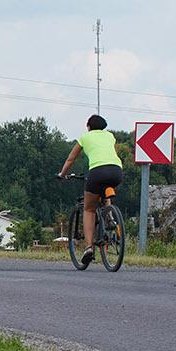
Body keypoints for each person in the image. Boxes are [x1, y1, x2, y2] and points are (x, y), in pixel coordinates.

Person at [59, 114, 125, 266]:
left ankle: (89, 248)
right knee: (105, 190)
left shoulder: (85, 137)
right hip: (116, 171)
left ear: (89, 126)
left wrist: (62, 174)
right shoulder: (110, 136)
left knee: (89, 209)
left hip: (97, 172)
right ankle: (110, 217)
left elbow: (71, 159)